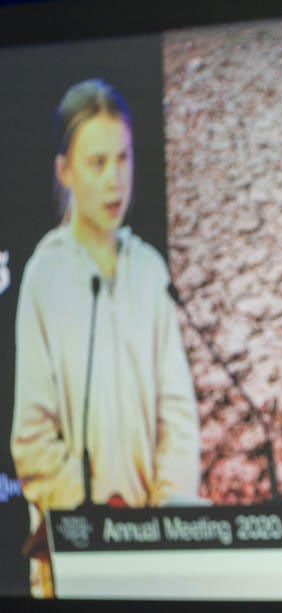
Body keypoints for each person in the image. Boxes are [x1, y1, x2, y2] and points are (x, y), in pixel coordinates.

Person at [11, 79, 200, 597]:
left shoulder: (150, 272)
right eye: (96, 163)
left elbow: (179, 418)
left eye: (124, 158)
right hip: (76, 558)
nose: (115, 179)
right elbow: (31, 437)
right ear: (65, 171)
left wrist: (164, 519)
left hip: (157, 555)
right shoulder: (44, 278)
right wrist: (99, 515)